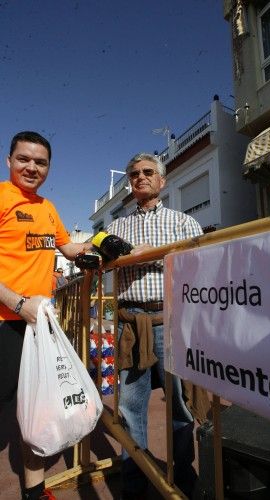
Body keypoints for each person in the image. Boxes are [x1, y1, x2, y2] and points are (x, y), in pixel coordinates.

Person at [107, 153, 206, 499]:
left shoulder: (183, 222)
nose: (141, 177)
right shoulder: (115, 228)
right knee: (130, 407)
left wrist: (151, 254)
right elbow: (102, 264)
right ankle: (135, 481)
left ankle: (183, 476)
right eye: (134, 174)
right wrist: (141, 254)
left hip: (170, 321)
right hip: (130, 325)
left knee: (178, 404)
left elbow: (198, 267)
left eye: (149, 172)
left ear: (162, 181)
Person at [0, 131, 92, 500]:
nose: (31, 167)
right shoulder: (2, 197)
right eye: (24, 159)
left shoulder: (48, 208)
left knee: (35, 415)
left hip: (37, 328)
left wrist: (101, 244)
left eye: (40, 162)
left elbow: (69, 247)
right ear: (9, 161)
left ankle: (33, 493)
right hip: (5, 322)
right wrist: (19, 303)